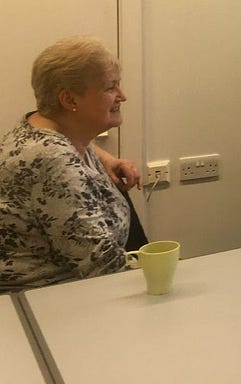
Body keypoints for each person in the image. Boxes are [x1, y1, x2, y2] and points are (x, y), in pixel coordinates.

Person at [0, 37, 143, 291]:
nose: (122, 96)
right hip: (51, 306)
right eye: (110, 87)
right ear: (70, 100)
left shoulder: (46, 128)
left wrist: (106, 158)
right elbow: (102, 264)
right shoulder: (50, 160)